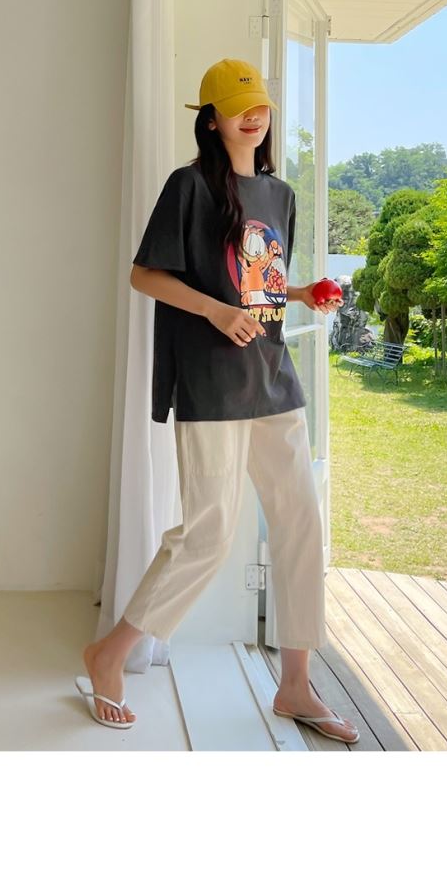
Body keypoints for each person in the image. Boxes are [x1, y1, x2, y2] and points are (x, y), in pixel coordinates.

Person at [77, 58, 359, 744]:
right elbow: (145, 275)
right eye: (238, 106)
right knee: (208, 534)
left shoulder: (279, 194)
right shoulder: (189, 186)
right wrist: (212, 310)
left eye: (260, 104)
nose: (253, 115)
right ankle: (109, 653)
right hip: (211, 382)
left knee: (301, 523)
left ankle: (295, 684)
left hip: (272, 378)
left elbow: (260, 282)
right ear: (212, 119)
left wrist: (302, 293)